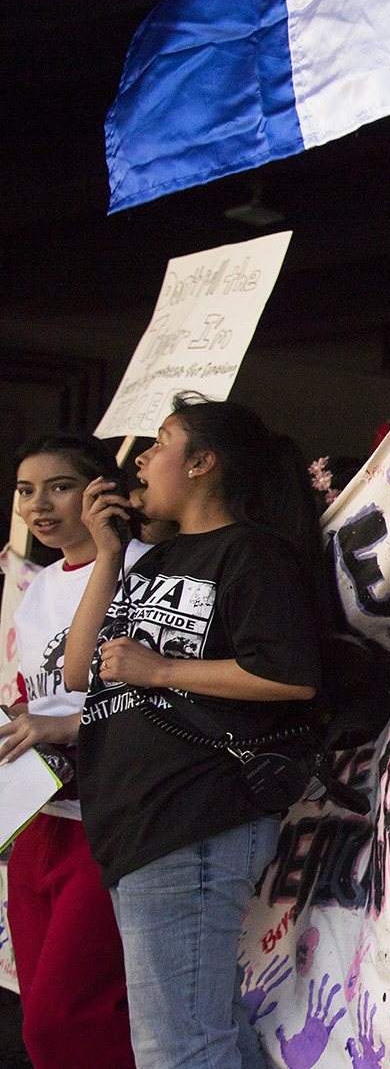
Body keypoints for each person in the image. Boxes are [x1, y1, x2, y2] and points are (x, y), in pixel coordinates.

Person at [61, 396, 322, 1069]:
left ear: (204, 464)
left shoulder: (252, 553)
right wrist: (108, 557)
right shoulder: (150, 559)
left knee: (177, 1047)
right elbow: (78, 670)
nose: (141, 457)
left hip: (190, 813)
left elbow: (291, 675)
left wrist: (161, 667)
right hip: (143, 822)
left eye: (162, 441)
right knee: (206, 1034)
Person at [2, 435, 146, 1069]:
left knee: (71, 1020)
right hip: (41, 821)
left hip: (109, 821)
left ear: (100, 491)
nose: (40, 505)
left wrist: (63, 728)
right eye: (26, 490)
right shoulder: (37, 588)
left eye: (59, 487)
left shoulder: (146, 568)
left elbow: (154, 701)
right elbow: (44, 702)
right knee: (41, 1023)